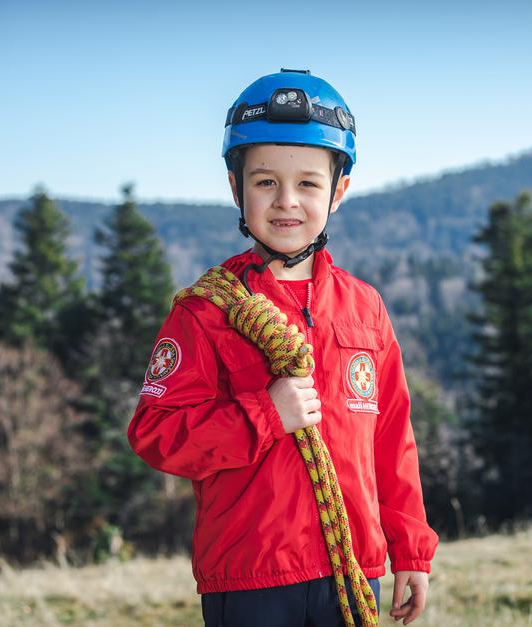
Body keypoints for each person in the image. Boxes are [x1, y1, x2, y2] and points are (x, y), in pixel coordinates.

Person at [127, 69, 439, 626]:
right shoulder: (204, 311)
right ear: (236, 189)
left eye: (309, 184)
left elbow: (392, 439)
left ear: (338, 191)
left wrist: (410, 549)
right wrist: (264, 414)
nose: (286, 201)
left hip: (353, 572)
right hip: (252, 580)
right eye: (266, 182)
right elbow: (158, 436)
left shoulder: (365, 309)